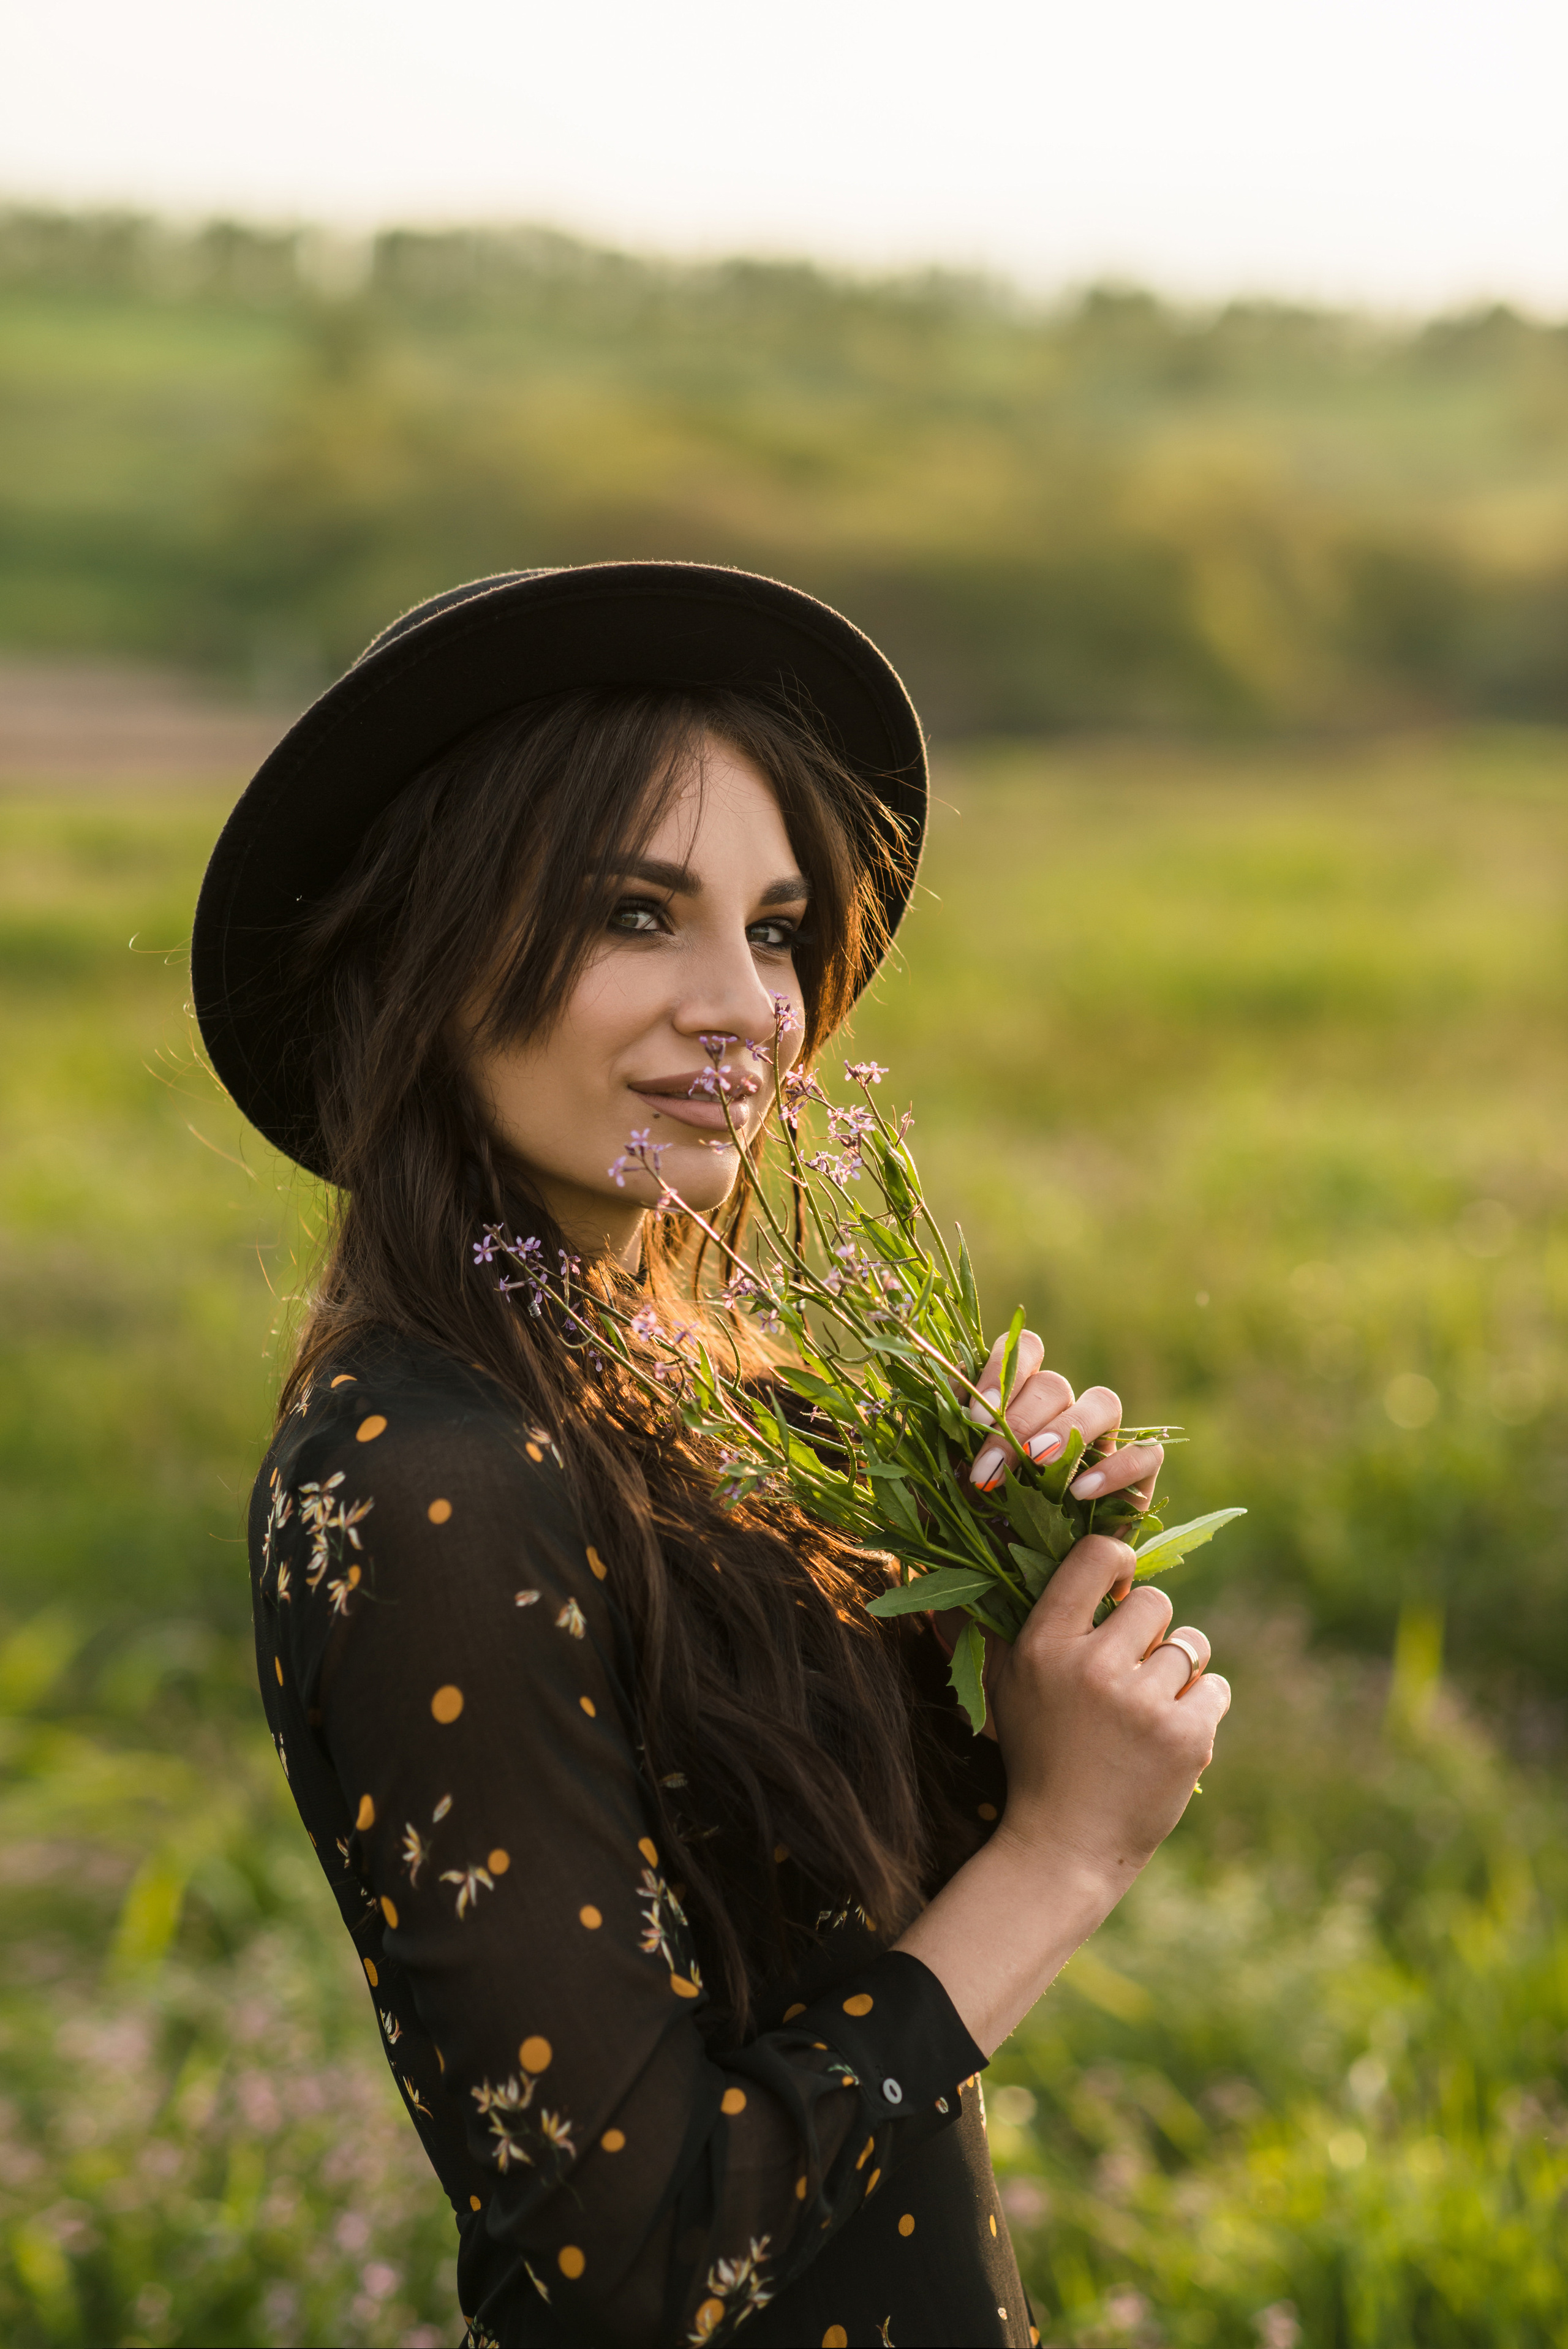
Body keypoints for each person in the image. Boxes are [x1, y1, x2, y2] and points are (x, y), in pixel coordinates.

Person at [192, 564, 1229, 2349]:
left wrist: (1008, 1627)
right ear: (436, 958)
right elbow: (642, 2265)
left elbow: (823, 1961)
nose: (745, 1004)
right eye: (635, 911)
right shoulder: (420, 1481)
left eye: (772, 926)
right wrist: (1061, 1855)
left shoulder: (688, 1405)